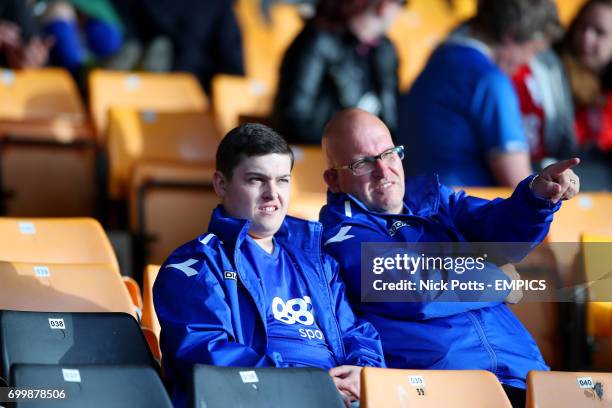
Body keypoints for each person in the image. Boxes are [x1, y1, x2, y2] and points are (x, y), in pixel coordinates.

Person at [319, 108, 580, 408]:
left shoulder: (435, 200)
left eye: (389, 154)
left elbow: (500, 234)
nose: (383, 169)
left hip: (522, 373)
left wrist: (536, 198)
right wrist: (499, 280)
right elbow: (416, 288)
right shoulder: (340, 234)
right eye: (363, 163)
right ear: (334, 179)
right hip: (444, 388)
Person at [154, 123, 385, 408]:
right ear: (220, 184)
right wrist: (310, 387)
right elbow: (208, 360)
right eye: (256, 180)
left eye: (282, 180)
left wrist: (363, 373)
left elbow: (356, 334)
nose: (272, 193)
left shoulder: (318, 261)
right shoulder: (193, 267)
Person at [399, 0, 561, 187]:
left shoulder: (438, 59)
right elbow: (520, 184)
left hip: (418, 204)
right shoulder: (489, 80)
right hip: (462, 210)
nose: (527, 61)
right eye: (533, 50)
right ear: (511, 35)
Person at [273, 0, 402, 145]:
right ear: (384, 5)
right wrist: (342, 148)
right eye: (402, 3)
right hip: (324, 156)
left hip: (370, 157)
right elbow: (293, 118)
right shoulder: (318, 41)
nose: (400, 11)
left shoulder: (386, 50)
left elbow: (393, 119)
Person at [558, 0, 612, 190]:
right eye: (582, 27)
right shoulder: (553, 72)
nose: (586, 38)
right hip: (567, 176)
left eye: (599, 32)